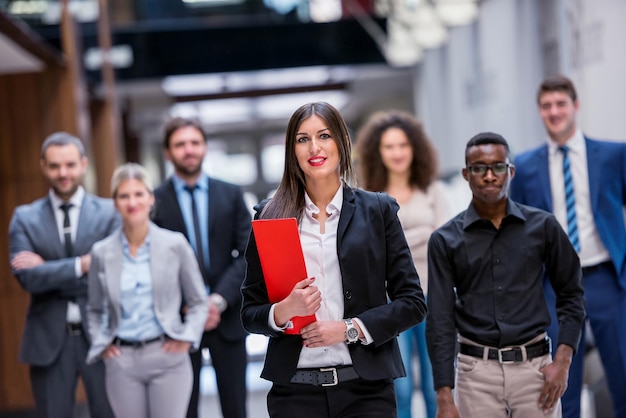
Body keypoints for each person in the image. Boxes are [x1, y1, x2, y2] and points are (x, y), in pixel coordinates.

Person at [241, 101, 427, 417]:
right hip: (295, 395)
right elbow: (249, 313)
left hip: (366, 393)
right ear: (292, 151)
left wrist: (348, 329)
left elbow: (412, 302)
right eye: (302, 139)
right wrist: (285, 310)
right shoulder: (269, 217)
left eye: (324, 136)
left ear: (341, 142)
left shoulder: (378, 211)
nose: (315, 147)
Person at [426, 132, 585, 417]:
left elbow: (571, 294)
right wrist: (444, 396)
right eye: (479, 168)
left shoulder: (544, 227)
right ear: (466, 173)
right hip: (476, 375)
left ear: (510, 171)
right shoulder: (445, 240)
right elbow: (439, 318)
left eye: (498, 166)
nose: (489, 175)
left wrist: (562, 362)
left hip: (535, 371)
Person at [510, 74, 626, 418]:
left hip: (605, 276)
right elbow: (518, 230)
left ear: (575, 106)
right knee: (561, 380)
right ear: (539, 112)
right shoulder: (526, 165)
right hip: (554, 285)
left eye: (561, 104)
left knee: (621, 371)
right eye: (546, 106)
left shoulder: (612, 155)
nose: (554, 111)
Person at [85, 163, 209, 417]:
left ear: (151, 199)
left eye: (139, 194)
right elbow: (95, 309)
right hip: (122, 361)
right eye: (124, 195)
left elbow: (198, 301)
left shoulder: (175, 244)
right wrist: (102, 344)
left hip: (168, 357)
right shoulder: (101, 252)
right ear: (115, 202)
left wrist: (187, 336)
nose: (132, 202)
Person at [8, 132, 117, 418]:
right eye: (55, 166)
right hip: (48, 341)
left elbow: (112, 272)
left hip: (103, 335)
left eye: (70, 165)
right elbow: (27, 279)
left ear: (83, 164)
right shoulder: (24, 217)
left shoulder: (110, 213)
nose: (63, 173)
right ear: (43, 166)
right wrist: (80, 266)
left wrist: (47, 269)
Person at [152, 117, 252, 418]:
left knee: (236, 408)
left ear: (205, 148)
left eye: (194, 143)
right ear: (168, 153)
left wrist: (217, 300)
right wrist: (190, 305)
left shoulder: (231, 194)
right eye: (180, 144)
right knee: (185, 408)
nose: (189, 150)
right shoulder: (154, 201)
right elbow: (154, 263)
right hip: (179, 321)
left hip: (228, 315)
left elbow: (248, 253)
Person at [355, 110, 448, 418]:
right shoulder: (367, 196)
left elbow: (445, 241)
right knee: (400, 388)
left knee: (439, 385)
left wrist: (396, 241)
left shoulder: (433, 190)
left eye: (403, 145)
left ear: (415, 148)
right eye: (389, 147)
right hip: (390, 301)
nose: (397, 153)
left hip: (434, 296)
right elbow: (369, 249)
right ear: (377, 152)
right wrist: (421, 235)